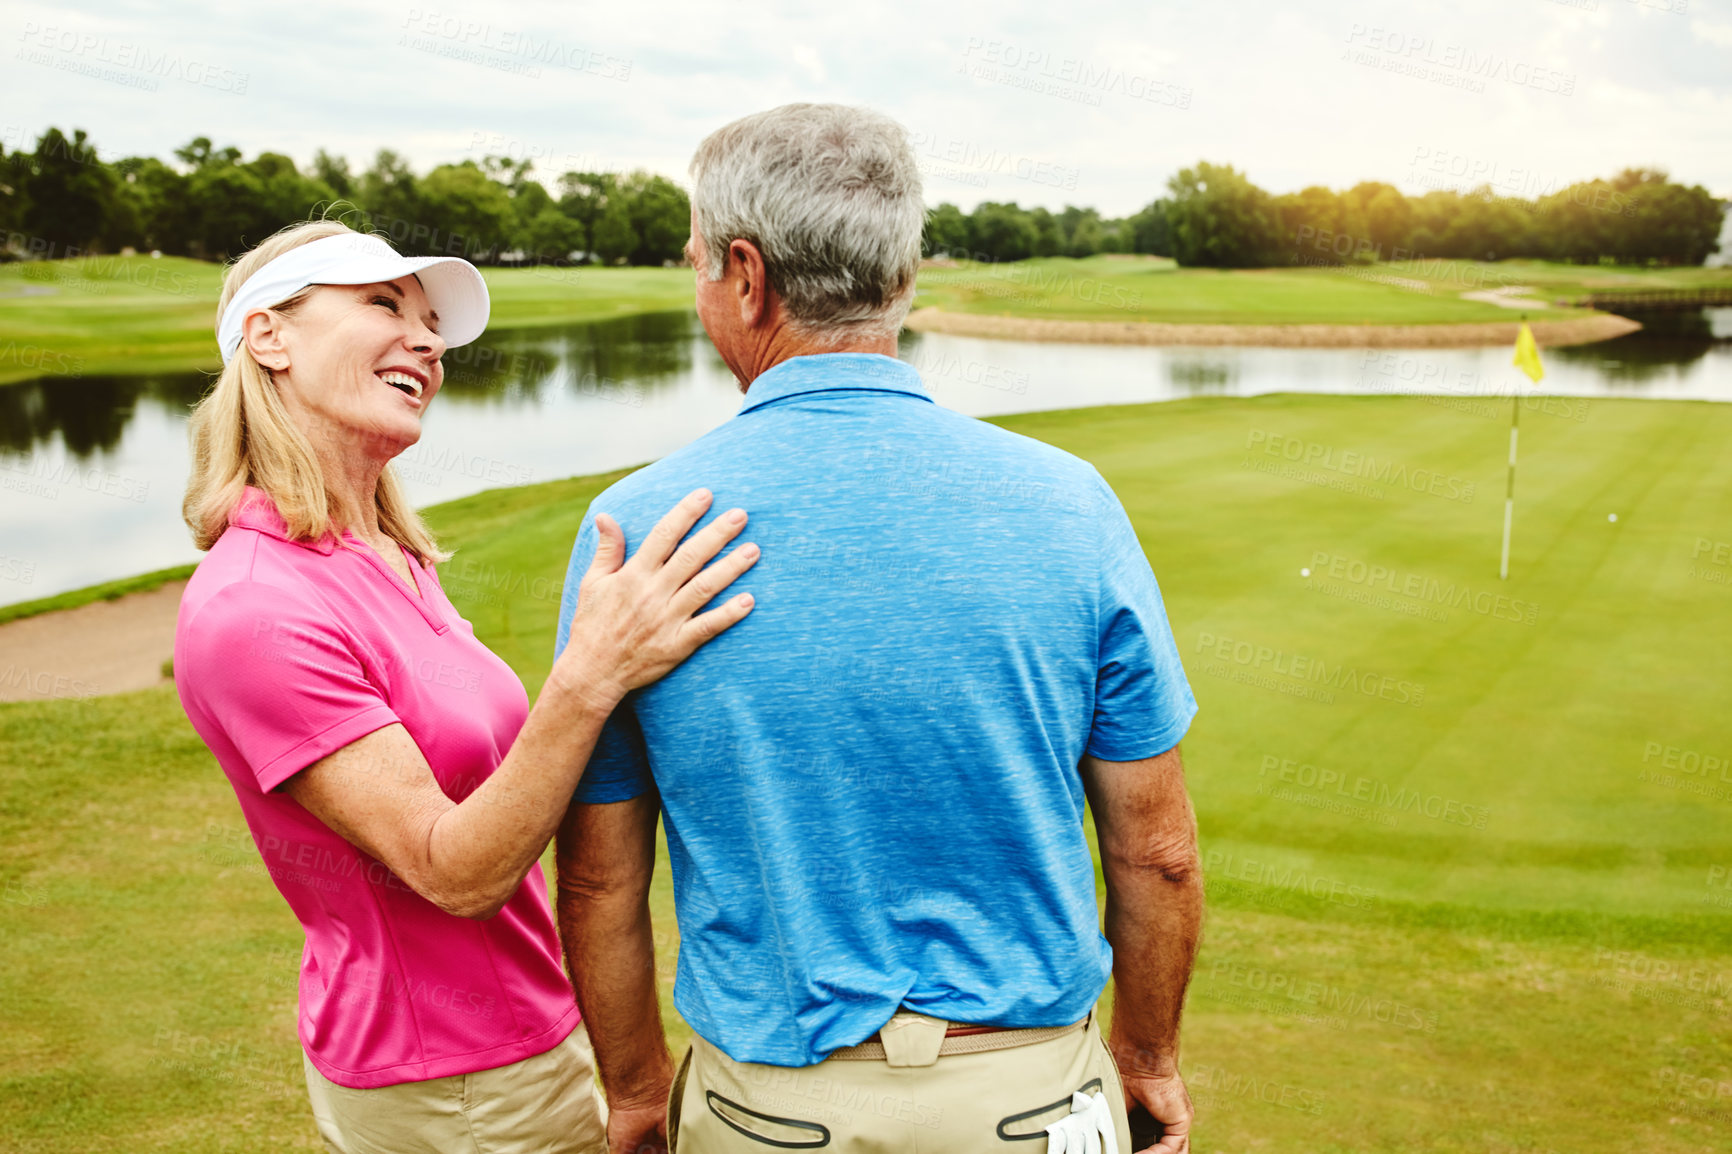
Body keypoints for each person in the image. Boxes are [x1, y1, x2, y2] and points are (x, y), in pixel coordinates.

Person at [554, 104, 1203, 1154]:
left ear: (746, 273)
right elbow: (1157, 850)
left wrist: (634, 1092)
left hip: (767, 1107)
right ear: (898, 278)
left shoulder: (635, 527)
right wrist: (1146, 1058)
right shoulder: (1072, 501)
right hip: (1035, 1101)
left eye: (696, 265)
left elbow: (598, 876)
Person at [172, 219, 759, 1154]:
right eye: (381, 306)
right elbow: (456, 873)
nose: (427, 342)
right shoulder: (256, 607)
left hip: (526, 1035)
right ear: (268, 338)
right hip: (452, 1083)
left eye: (430, 323)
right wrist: (592, 672)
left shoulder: (384, 555)